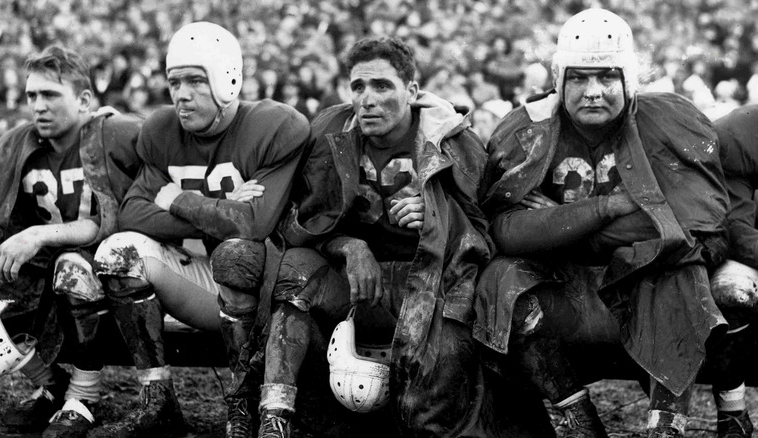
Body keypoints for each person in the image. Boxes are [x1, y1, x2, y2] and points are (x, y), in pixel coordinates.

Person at [218, 35, 547, 438]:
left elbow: (488, 232)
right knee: (294, 270)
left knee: (432, 406)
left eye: (382, 86)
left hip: (434, 283)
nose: (367, 99)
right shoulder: (330, 132)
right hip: (359, 286)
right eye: (358, 87)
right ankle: (275, 416)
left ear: (411, 90)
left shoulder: (452, 140)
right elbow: (299, 222)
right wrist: (349, 246)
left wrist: (436, 218)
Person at [475, 8, 729, 438]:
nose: (593, 91)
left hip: (645, 284)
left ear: (628, 79)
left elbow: (697, 225)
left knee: (682, 267)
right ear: (559, 80)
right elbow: (503, 231)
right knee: (499, 279)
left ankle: (667, 425)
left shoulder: (668, 119)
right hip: (565, 290)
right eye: (578, 78)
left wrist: (556, 226)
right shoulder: (527, 128)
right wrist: (607, 208)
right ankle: (576, 417)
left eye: (606, 76)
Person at [90, 21, 310, 438]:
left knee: (236, 253)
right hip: (202, 281)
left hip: (267, 292)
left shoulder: (273, 125)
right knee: (118, 252)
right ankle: (157, 400)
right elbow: (131, 214)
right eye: (174, 82)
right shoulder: (160, 130)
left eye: (195, 81)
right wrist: (223, 210)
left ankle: (243, 403)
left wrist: (177, 199)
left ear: (227, 78)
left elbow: (254, 225)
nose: (181, 94)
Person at [0, 45, 142, 437]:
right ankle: (52, 387)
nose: (37, 105)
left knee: (73, 268)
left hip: (108, 267)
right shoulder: (16, 143)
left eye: (50, 94)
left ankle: (85, 396)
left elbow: (108, 219)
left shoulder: (114, 135)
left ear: (84, 99)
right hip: (40, 271)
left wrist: (37, 234)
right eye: (32, 95)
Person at [705, 104, 758, 438]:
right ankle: (732, 412)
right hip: (749, 247)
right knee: (732, 291)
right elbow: (736, 227)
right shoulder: (738, 135)